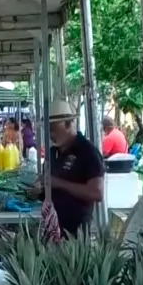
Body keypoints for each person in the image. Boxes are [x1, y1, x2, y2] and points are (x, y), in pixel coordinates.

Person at [39, 99, 104, 236]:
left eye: (53, 130)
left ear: (68, 124)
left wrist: (58, 183)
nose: (51, 135)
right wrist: (41, 190)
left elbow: (96, 192)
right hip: (52, 226)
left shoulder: (87, 152)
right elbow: (50, 186)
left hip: (75, 232)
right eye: (48, 131)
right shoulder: (52, 152)